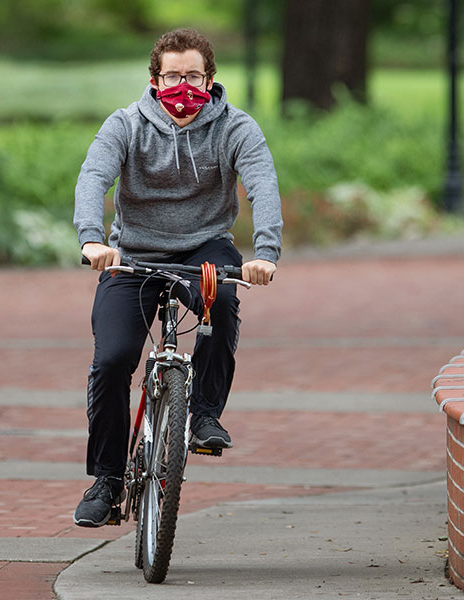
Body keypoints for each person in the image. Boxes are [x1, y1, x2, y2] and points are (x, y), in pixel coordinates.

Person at [72, 28, 282, 527]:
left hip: (204, 246)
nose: (183, 85)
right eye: (173, 76)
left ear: (210, 80)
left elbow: (263, 184)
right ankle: (107, 480)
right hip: (134, 254)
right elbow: (93, 177)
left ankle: (204, 414)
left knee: (223, 300)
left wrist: (266, 253)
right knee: (112, 361)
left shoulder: (237, 128)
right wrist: (91, 239)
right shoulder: (125, 125)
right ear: (154, 79)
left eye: (193, 76)